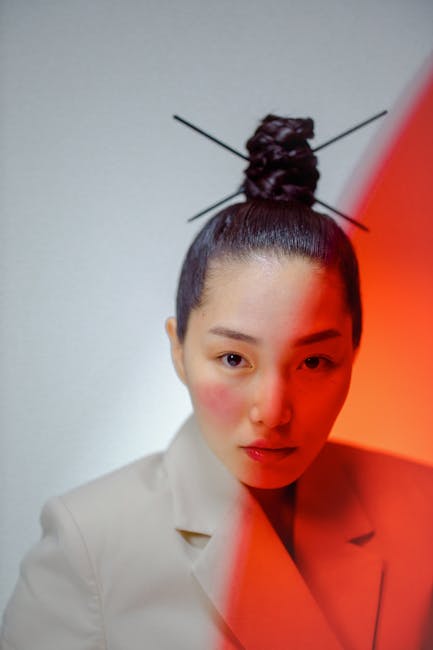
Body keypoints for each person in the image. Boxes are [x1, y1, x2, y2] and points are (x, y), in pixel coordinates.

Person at [1, 117, 432, 650]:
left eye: (314, 362)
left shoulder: (424, 511)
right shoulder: (89, 544)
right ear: (178, 350)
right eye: (233, 358)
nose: (272, 411)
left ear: (354, 354)